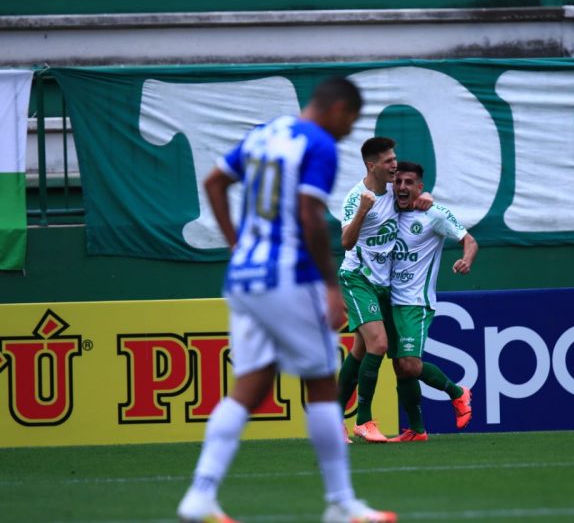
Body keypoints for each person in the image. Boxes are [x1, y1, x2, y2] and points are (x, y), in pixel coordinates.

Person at [176, 77, 397, 523]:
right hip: (288, 278)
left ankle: (200, 494)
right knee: (319, 385)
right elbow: (308, 216)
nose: (346, 132)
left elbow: (215, 182)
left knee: (250, 387)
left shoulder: (265, 133)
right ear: (337, 109)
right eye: (349, 122)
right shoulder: (318, 145)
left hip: (245, 277)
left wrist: (237, 244)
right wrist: (331, 287)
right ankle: (341, 503)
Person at [336, 137, 431, 443]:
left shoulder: (392, 190)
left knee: (360, 351)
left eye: (394, 158)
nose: (395, 165)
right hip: (356, 278)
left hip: (383, 285)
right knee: (378, 344)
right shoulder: (356, 198)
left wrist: (425, 198)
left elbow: (413, 198)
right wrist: (364, 210)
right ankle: (363, 421)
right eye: (389, 161)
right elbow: (346, 243)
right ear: (371, 165)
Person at [386, 161, 478, 442]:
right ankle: (416, 429)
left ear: (420, 187)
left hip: (415, 303)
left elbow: (470, 240)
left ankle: (457, 392)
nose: (402, 187)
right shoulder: (386, 210)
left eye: (409, 182)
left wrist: (466, 259)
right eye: (398, 181)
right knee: (400, 368)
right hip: (388, 301)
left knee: (411, 365)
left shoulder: (434, 215)